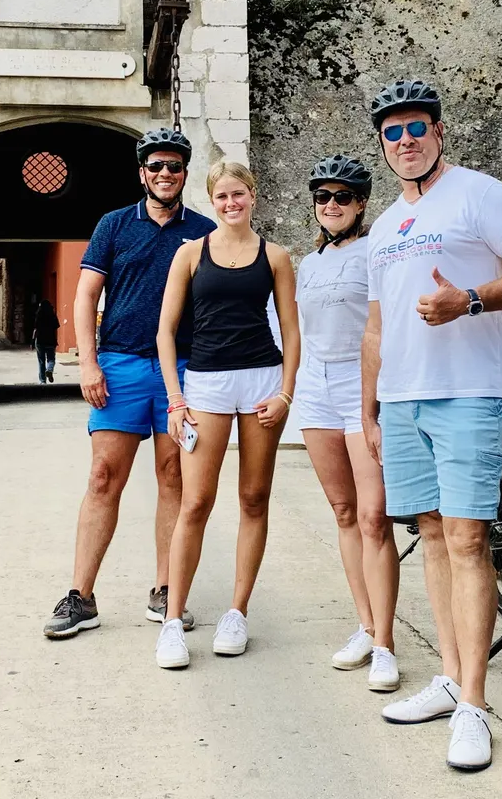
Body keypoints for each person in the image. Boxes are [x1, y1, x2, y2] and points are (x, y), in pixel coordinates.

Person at [361, 79, 502, 772]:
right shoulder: (382, 225)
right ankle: (448, 676)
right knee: (432, 535)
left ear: (439, 133)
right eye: (393, 133)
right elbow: (376, 326)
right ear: (382, 145)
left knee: (468, 539)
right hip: (403, 398)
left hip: (469, 390)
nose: (405, 141)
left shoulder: (479, 194)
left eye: (417, 129)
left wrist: (468, 300)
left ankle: (474, 703)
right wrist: (371, 407)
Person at [43, 128, 215, 640]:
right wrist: (88, 364)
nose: (166, 174)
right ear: (142, 172)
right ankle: (81, 596)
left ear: (185, 173)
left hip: (182, 370)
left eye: (175, 166)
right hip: (119, 366)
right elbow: (84, 295)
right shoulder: (114, 224)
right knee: (103, 478)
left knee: (173, 477)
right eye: (157, 166)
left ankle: (167, 590)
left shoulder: (204, 230)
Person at [151, 162, 300, 668]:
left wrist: (285, 393)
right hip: (207, 385)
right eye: (222, 196)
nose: (231, 203)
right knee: (195, 501)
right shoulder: (190, 254)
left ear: (253, 197)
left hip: (261, 380)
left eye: (238, 194)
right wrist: (175, 399)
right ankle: (173, 621)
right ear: (212, 201)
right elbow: (165, 332)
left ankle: (237, 612)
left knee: (254, 498)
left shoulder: (275, 257)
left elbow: (291, 331)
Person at [294, 154, 401, 693]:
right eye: (322, 197)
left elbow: (386, 326)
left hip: (364, 388)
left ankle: (384, 642)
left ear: (361, 203)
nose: (330, 205)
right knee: (342, 511)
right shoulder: (308, 264)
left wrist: (375, 401)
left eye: (341, 197)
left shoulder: (375, 253)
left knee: (373, 516)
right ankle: (364, 625)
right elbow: (299, 334)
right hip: (316, 389)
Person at [31, 295, 60, 384]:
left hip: (40, 341)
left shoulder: (38, 316)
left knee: (41, 361)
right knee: (51, 359)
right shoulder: (53, 316)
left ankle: (43, 381)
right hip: (51, 341)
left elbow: (35, 330)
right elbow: (56, 327)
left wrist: (32, 341)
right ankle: (50, 370)